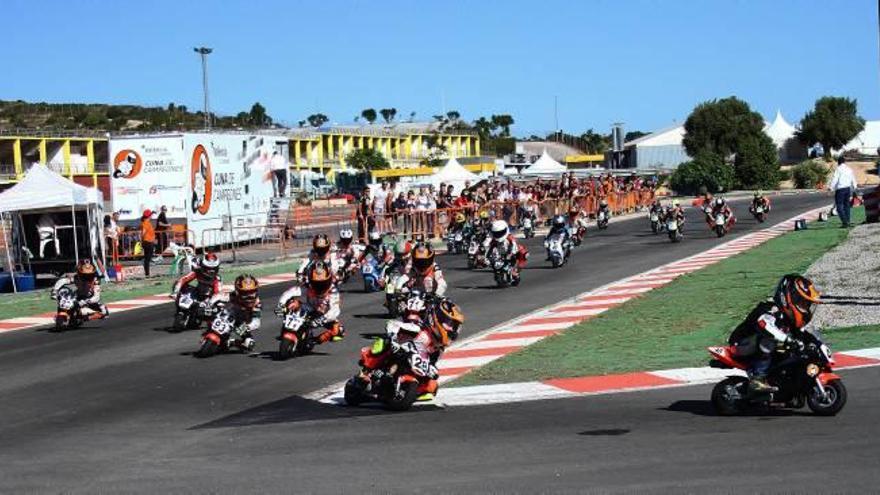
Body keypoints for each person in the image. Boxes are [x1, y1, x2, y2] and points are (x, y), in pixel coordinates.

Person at [727, 274, 821, 393]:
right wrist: (788, 340)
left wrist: (816, 344)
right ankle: (757, 378)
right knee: (769, 340)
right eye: (802, 303)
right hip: (740, 344)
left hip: (757, 349)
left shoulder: (788, 318)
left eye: (807, 305)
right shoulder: (769, 309)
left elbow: (802, 335)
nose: (805, 309)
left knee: (794, 350)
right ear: (789, 297)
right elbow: (765, 325)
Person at [392, 298, 464, 401]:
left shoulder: (437, 347)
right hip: (397, 353)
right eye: (450, 324)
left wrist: (431, 371)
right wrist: (393, 340)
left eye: (455, 326)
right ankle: (369, 369)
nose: (452, 329)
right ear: (438, 318)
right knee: (382, 344)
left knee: (431, 387)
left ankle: (402, 390)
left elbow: (432, 363)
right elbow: (392, 325)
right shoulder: (418, 328)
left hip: (411, 365)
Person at [278, 261, 344, 345]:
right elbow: (290, 292)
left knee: (339, 331)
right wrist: (281, 305)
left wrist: (321, 320)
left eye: (323, 283)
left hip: (323, 315)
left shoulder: (333, 291)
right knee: (292, 303)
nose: (320, 286)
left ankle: (314, 341)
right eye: (316, 283)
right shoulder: (308, 286)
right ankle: (286, 329)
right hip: (309, 309)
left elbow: (335, 311)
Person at [222, 274, 262, 352]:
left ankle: (230, 342)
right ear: (238, 292)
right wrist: (211, 305)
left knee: (249, 344)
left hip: (242, 325)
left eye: (252, 292)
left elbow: (256, 322)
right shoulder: (232, 295)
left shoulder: (257, 303)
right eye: (245, 293)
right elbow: (219, 297)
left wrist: (248, 327)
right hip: (228, 316)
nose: (249, 296)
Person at [483, 220, 528, 285]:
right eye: (497, 233)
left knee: (524, 253)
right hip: (498, 252)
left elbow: (514, 244)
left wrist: (511, 253)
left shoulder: (510, 237)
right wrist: (485, 255)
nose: (498, 234)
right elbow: (486, 243)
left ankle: (516, 270)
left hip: (510, 252)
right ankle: (499, 272)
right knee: (488, 261)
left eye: (500, 232)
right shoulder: (491, 235)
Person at [829, 155, 857, 228]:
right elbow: (853, 178)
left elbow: (835, 179)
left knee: (839, 207)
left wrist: (831, 188)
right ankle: (848, 221)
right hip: (848, 189)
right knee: (846, 205)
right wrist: (855, 187)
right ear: (844, 162)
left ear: (838, 162)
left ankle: (845, 222)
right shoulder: (849, 169)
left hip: (840, 189)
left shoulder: (838, 169)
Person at [140, 209, 156, 277]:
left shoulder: (146, 222)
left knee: (147, 259)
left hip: (148, 242)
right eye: (151, 215)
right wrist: (142, 239)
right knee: (147, 259)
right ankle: (147, 273)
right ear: (149, 216)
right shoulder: (146, 223)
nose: (151, 216)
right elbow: (143, 232)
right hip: (148, 242)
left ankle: (147, 273)